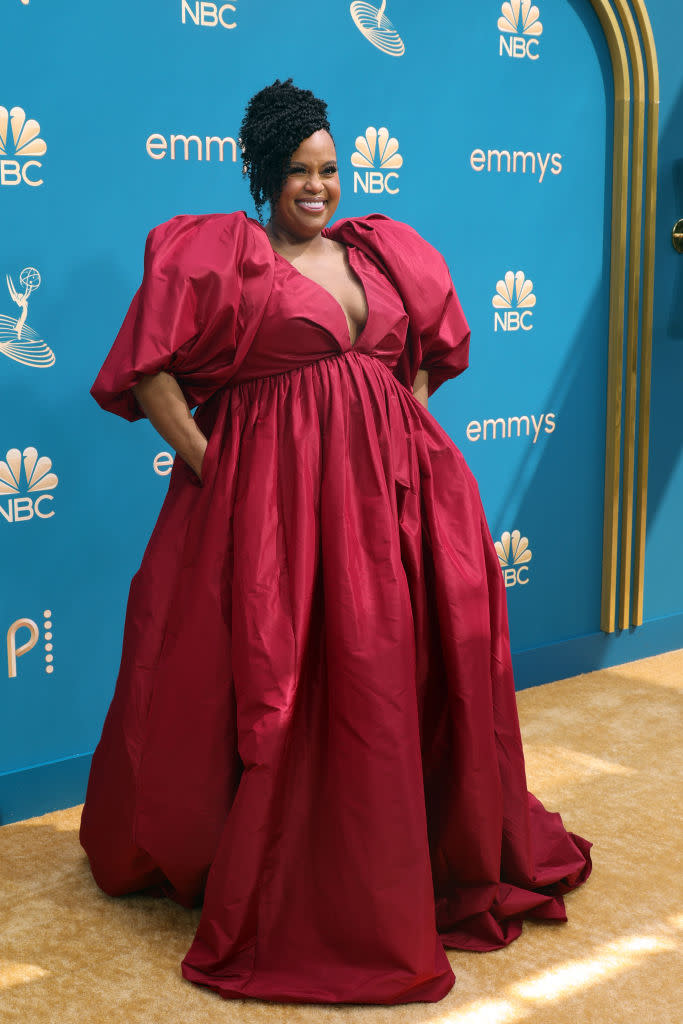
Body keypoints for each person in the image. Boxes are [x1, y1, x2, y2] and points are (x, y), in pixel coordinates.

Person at [80, 79, 592, 1006]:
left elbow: (426, 356)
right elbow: (147, 370)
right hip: (271, 510)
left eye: (328, 169)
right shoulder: (220, 255)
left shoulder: (378, 252)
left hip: (396, 505)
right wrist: (215, 466)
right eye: (297, 172)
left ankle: (403, 850)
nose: (316, 188)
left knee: (393, 675)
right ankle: (285, 869)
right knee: (274, 681)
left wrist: (402, 433)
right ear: (264, 173)